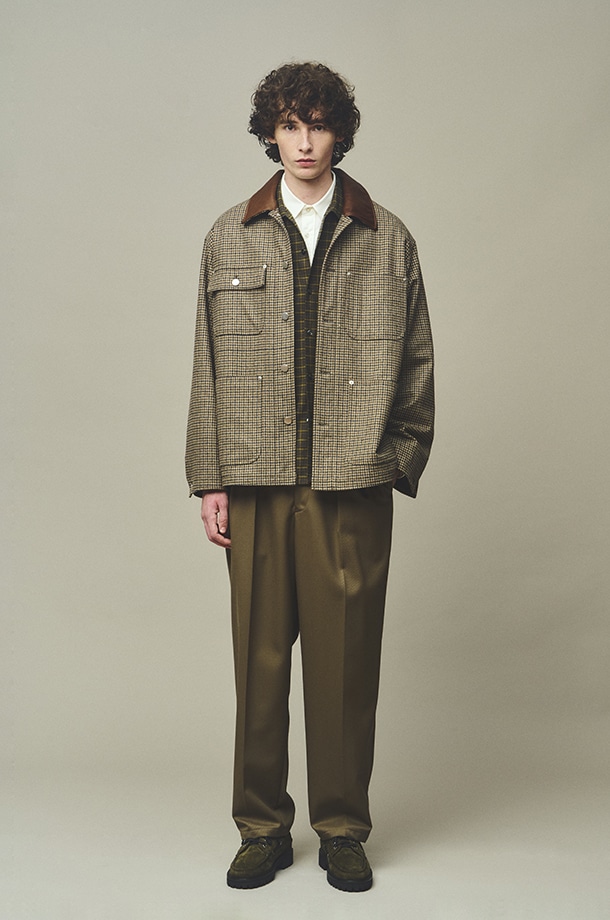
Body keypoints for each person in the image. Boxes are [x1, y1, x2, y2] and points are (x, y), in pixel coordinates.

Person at [186, 61, 434, 892]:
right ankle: (261, 827)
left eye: (318, 124)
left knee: (345, 666)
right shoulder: (229, 235)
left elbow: (418, 361)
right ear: (269, 133)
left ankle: (342, 828)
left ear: (340, 134)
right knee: (258, 665)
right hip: (254, 478)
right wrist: (209, 478)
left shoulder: (386, 237)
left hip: (349, 480)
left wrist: (393, 461)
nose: (303, 142)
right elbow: (207, 363)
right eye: (290, 125)